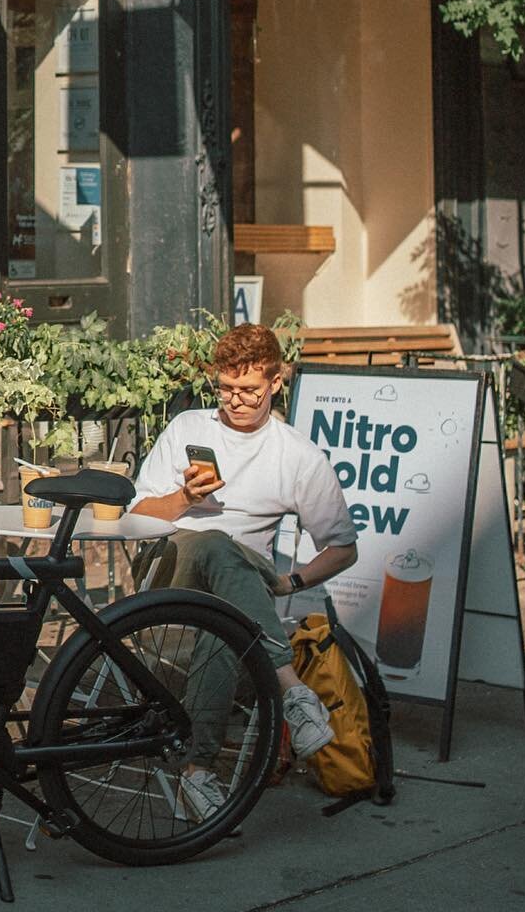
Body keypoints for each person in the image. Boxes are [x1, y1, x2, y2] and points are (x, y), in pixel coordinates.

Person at [130, 322, 358, 814]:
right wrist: (184, 497)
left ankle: (197, 772)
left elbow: (343, 548)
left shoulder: (297, 455)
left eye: (249, 390)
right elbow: (137, 514)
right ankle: (293, 691)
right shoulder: (189, 428)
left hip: (238, 593)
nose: (235, 401)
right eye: (226, 388)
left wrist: (290, 581)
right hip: (169, 567)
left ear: (277, 381)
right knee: (216, 543)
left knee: (227, 627)